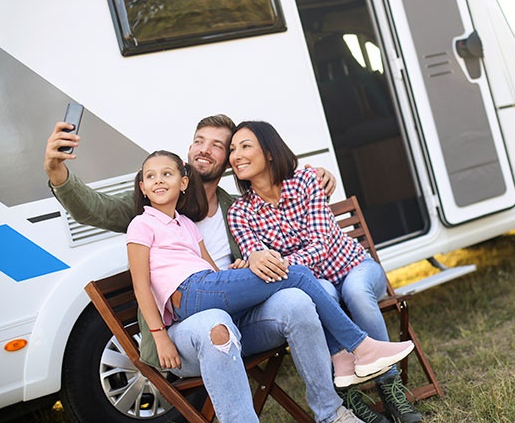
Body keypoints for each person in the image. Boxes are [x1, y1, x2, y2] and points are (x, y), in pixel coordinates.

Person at [43, 115, 360, 423]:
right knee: (215, 322)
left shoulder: (238, 207)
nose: (204, 149)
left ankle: (330, 413)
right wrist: (58, 172)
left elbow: (285, 219)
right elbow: (95, 209)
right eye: (198, 141)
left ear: (230, 160)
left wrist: (318, 177)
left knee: (298, 303)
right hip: (187, 333)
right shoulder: (154, 207)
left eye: (218, 145)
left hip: (244, 319)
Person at [128, 149, 413, 384]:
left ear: (184, 182)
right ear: (142, 187)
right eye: (150, 176)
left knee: (293, 286)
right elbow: (141, 286)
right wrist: (159, 336)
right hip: (187, 294)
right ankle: (361, 348)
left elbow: (212, 271)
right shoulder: (142, 224)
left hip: (207, 287)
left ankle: (351, 356)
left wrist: (235, 276)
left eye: (167, 173)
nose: (159, 181)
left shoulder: (187, 224)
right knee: (298, 274)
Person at [227, 121, 423, 423]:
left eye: (245, 146)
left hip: (355, 267)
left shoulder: (307, 180)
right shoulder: (240, 213)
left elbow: (321, 245)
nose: (235, 155)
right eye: (232, 149)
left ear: (268, 152)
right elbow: (258, 260)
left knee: (355, 292)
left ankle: (390, 388)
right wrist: (266, 262)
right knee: (322, 295)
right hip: (318, 284)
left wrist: (283, 264)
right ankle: (349, 395)